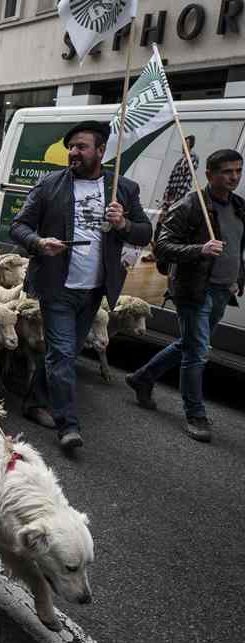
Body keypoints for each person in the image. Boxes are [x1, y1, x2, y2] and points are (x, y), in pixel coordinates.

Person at [10, 120, 152, 450]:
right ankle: (68, 425)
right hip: (57, 285)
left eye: (81, 147)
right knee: (61, 355)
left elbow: (144, 233)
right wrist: (39, 242)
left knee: (66, 353)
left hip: (94, 290)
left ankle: (33, 402)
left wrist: (123, 223)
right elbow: (19, 226)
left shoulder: (124, 188)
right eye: (71, 147)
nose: (73, 152)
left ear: (100, 151)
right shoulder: (50, 184)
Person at [126, 149, 244, 443]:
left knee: (190, 343)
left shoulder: (240, 206)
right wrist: (199, 250)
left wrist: (238, 277)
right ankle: (195, 414)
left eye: (238, 171)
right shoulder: (190, 205)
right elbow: (163, 247)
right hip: (193, 289)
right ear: (209, 175)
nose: (234, 177)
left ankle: (143, 377)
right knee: (198, 351)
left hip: (221, 290)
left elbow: (238, 248)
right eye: (227, 171)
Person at [163, 135, 199, 209]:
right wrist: (166, 194)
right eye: (183, 144)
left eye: (186, 144)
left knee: (172, 217)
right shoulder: (180, 161)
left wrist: (178, 198)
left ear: (190, 145)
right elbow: (172, 178)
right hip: (170, 194)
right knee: (162, 217)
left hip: (178, 195)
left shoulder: (193, 158)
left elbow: (187, 179)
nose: (183, 146)